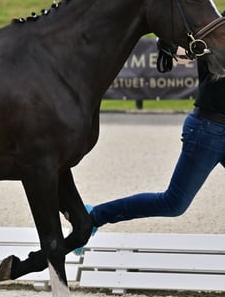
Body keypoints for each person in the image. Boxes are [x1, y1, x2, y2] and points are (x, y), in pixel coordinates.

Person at [87, 40, 225, 236]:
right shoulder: (217, 30)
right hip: (209, 130)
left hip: (213, 127)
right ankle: (95, 215)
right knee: (173, 203)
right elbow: (183, 48)